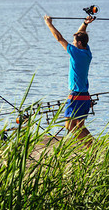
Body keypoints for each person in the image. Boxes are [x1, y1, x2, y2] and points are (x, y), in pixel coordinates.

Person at [44, 14, 95, 146]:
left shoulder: (75, 52)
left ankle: (92, 147)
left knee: (69, 126)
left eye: (74, 42)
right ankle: (92, 149)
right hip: (85, 97)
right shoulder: (87, 52)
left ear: (78, 43)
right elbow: (81, 34)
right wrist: (85, 23)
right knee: (79, 126)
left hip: (76, 96)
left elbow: (59, 38)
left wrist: (49, 24)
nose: (72, 43)